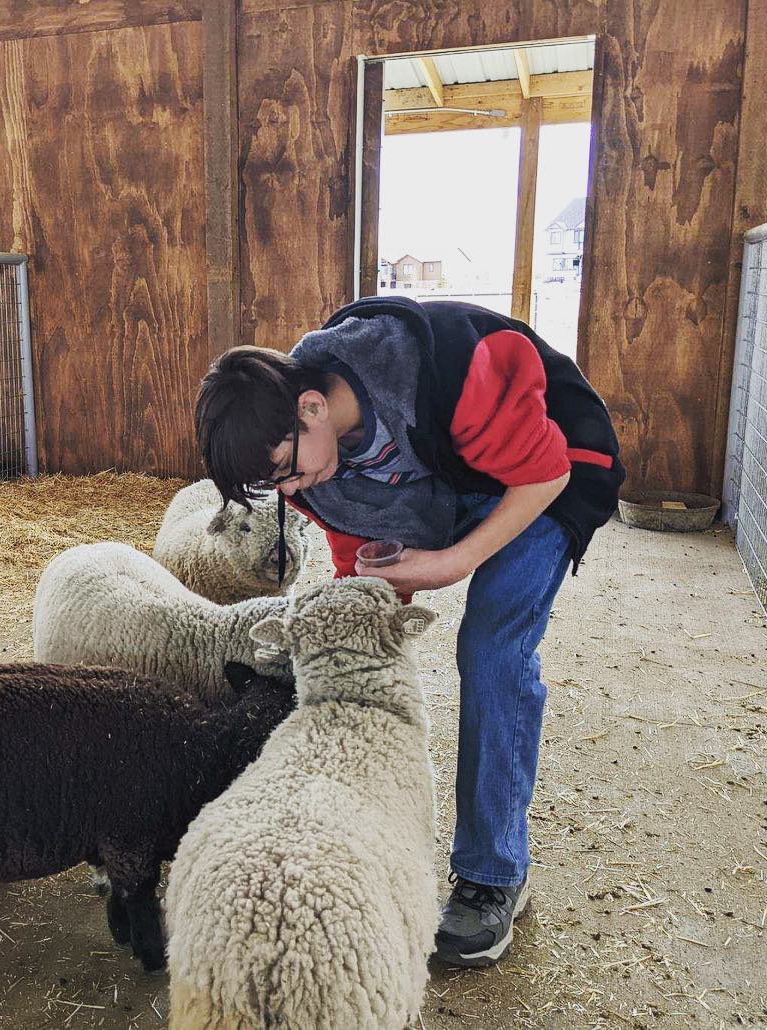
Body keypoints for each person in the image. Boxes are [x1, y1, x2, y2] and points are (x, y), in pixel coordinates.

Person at [194, 295, 624, 967]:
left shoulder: (443, 369)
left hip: (548, 472)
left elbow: (545, 472)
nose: (286, 491)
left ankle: (493, 876)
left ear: (311, 408)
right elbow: (354, 565)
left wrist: (451, 562)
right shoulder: (312, 467)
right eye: (271, 483)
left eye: (284, 470)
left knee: (492, 651)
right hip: (442, 489)